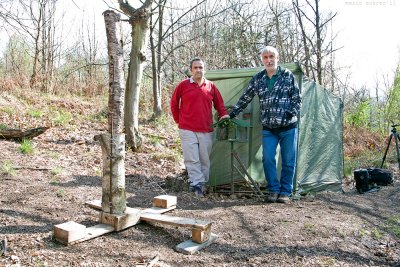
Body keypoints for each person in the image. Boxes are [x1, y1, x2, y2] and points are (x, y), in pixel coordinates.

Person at [229, 46, 301, 203]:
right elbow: (246, 97)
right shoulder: (258, 78)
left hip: (288, 127)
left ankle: (285, 192)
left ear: (277, 57)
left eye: (271, 56)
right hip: (269, 128)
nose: (269, 60)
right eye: (266, 57)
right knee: (267, 159)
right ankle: (273, 190)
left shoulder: (287, 75)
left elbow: (297, 98)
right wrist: (233, 113)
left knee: (288, 161)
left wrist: (292, 112)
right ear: (262, 60)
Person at [170, 58, 229, 197]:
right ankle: (197, 185)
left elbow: (220, 105)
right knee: (191, 158)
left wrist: (224, 115)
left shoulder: (211, 86)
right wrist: (179, 121)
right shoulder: (183, 85)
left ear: (204, 69)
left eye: (200, 67)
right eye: (195, 67)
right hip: (187, 129)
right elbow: (174, 104)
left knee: (204, 159)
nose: (198, 70)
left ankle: (202, 183)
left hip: (206, 129)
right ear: (191, 70)